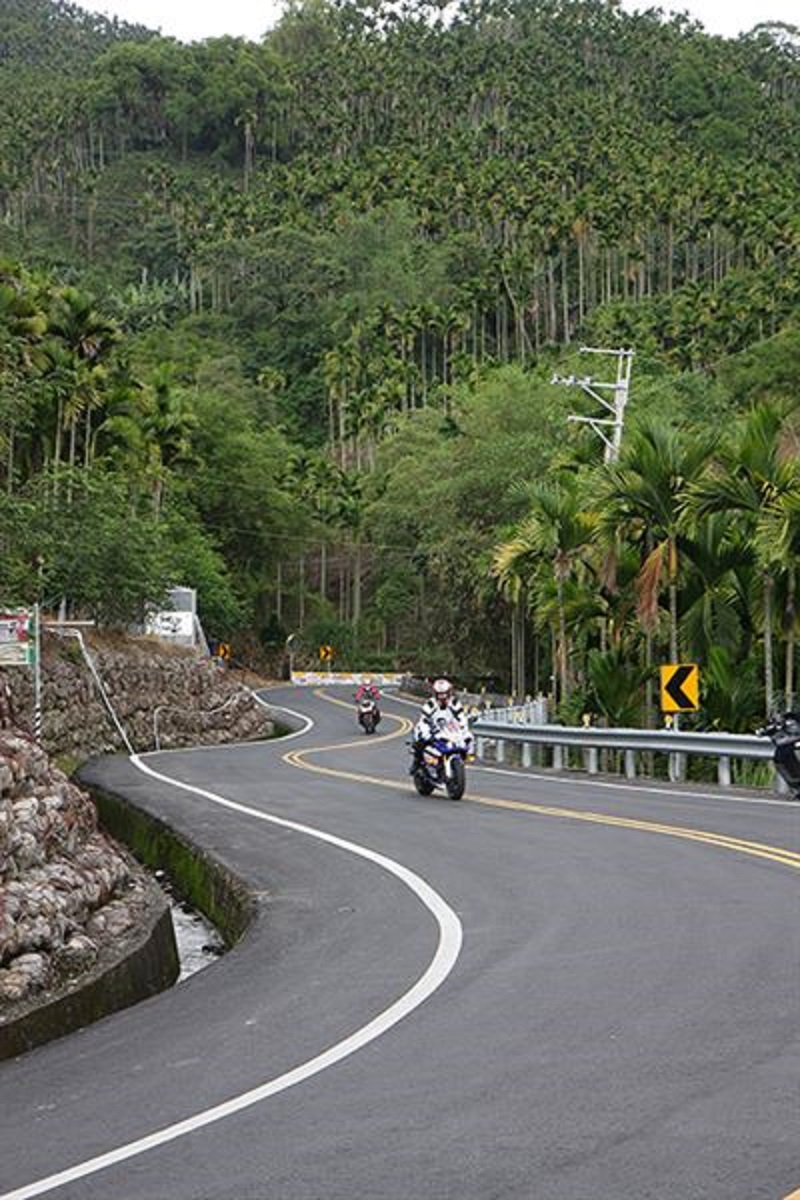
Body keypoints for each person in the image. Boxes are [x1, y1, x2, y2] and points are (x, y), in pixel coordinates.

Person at [409, 678, 473, 773]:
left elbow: (462, 718)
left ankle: (465, 757)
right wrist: (426, 732)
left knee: (469, 737)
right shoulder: (430, 704)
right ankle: (417, 762)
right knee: (419, 736)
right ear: (435, 693)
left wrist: (463, 728)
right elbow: (423, 720)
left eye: (444, 693)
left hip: (450, 730)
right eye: (439, 694)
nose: (442, 696)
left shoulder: (455, 703)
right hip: (434, 729)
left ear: (449, 692)